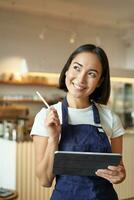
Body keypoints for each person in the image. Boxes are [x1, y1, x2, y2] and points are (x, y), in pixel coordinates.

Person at [30, 44, 126, 200]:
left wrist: (120, 175)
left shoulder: (110, 117)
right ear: (67, 69)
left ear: (100, 81)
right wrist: (54, 138)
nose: (81, 79)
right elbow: (45, 180)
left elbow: (119, 170)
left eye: (92, 74)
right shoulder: (45, 116)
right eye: (77, 68)